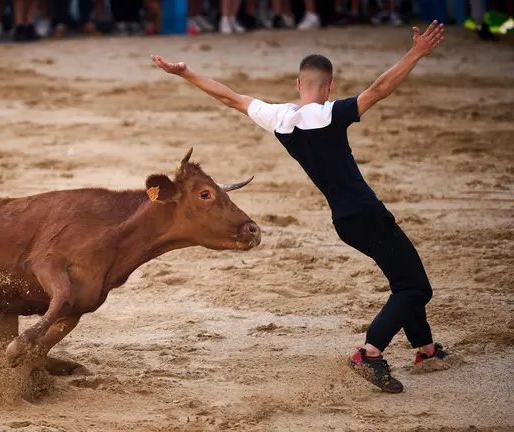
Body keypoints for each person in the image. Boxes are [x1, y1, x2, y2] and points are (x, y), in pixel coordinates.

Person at [151, 20, 451, 393]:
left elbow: (229, 97)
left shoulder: (281, 119)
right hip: (367, 214)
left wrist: (187, 73)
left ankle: (425, 349)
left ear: (298, 85)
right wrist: (417, 52)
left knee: (404, 278)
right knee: (415, 287)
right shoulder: (332, 114)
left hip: (344, 221)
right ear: (329, 87)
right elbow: (380, 89)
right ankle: (370, 352)